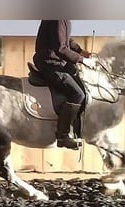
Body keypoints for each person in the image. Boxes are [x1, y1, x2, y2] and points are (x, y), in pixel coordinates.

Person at [33, 20, 96, 150]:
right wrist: (82, 60)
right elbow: (61, 48)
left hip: (57, 61)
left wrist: (81, 51)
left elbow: (66, 40)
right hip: (50, 63)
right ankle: (63, 136)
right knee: (77, 94)